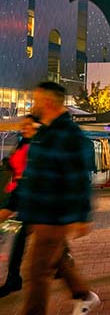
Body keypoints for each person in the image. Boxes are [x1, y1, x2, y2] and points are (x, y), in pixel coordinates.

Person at [0, 82, 99, 315]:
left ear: (48, 101)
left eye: (35, 99)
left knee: (36, 272)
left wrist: (82, 216)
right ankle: (83, 295)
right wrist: (12, 206)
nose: (33, 104)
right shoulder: (43, 133)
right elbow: (31, 175)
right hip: (37, 211)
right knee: (56, 262)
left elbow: (79, 178)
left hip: (55, 214)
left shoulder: (70, 135)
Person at [0, 115, 38, 297]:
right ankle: (62, 261)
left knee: (21, 236)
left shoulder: (38, 145)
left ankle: (13, 278)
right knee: (9, 225)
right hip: (17, 193)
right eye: (24, 125)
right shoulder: (22, 143)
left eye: (29, 125)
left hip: (30, 198)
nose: (25, 128)